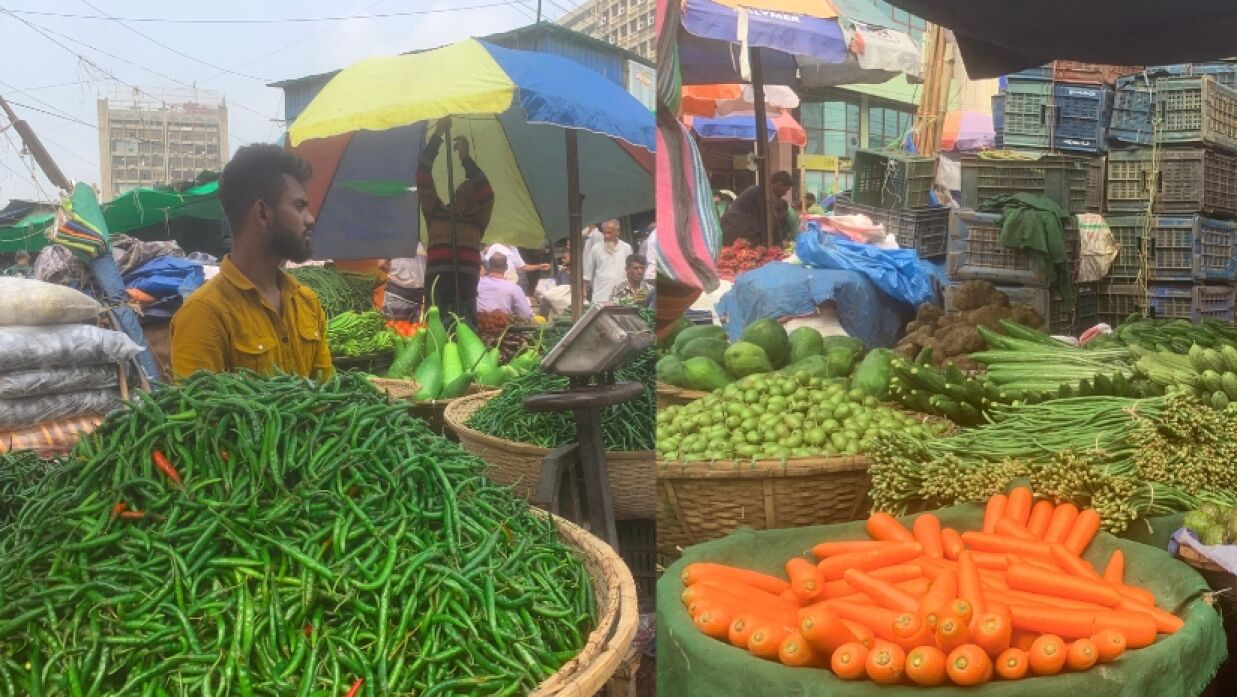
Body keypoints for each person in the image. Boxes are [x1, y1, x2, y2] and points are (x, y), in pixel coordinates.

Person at [170, 144, 331, 380]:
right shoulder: (204, 315)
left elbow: (330, 399)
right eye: (299, 206)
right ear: (262, 213)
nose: (310, 219)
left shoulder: (307, 303)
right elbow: (199, 414)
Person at [419, 117, 494, 329]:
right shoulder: (435, 210)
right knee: (436, 336)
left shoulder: (478, 219)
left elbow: (487, 192)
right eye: (464, 187)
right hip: (437, 288)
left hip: (466, 290)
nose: (468, 188)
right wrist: (437, 136)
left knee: (465, 334)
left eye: (472, 189)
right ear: (456, 193)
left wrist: (466, 160)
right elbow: (423, 175)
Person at [720, 171, 793, 246]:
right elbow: (772, 223)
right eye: (786, 190)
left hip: (736, 227)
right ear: (778, 185)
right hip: (734, 228)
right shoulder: (764, 194)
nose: (785, 193)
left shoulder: (760, 191)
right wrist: (779, 245)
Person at [583, 219, 632, 304]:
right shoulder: (596, 248)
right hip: (600, 296)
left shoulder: (627, 248)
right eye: (604, 233)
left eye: (609, 233)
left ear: (618, 232)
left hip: (622, 297)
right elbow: (588, 274)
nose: (606, 236)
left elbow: (631, 272)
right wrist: (583, 293)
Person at [476, 253, 532, 319]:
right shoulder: (514, 288)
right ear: (506, 267)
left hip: (477, 324)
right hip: (503, 326)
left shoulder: (476, 283)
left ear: (489, 267)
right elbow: (526, 314)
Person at [384, 244, 426, 321]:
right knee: (413, 331)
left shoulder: (393, 236)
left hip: (398, 294)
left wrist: (396, 275)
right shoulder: (425, 240)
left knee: (393, 329)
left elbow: (381, 263)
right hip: (414, 295)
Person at [482, 242, 549, 288]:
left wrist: (539, 266)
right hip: (496, 281)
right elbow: (485, 264)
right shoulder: (495, 247)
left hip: (511, 282)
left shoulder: (513, 248)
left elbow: (523, 266)